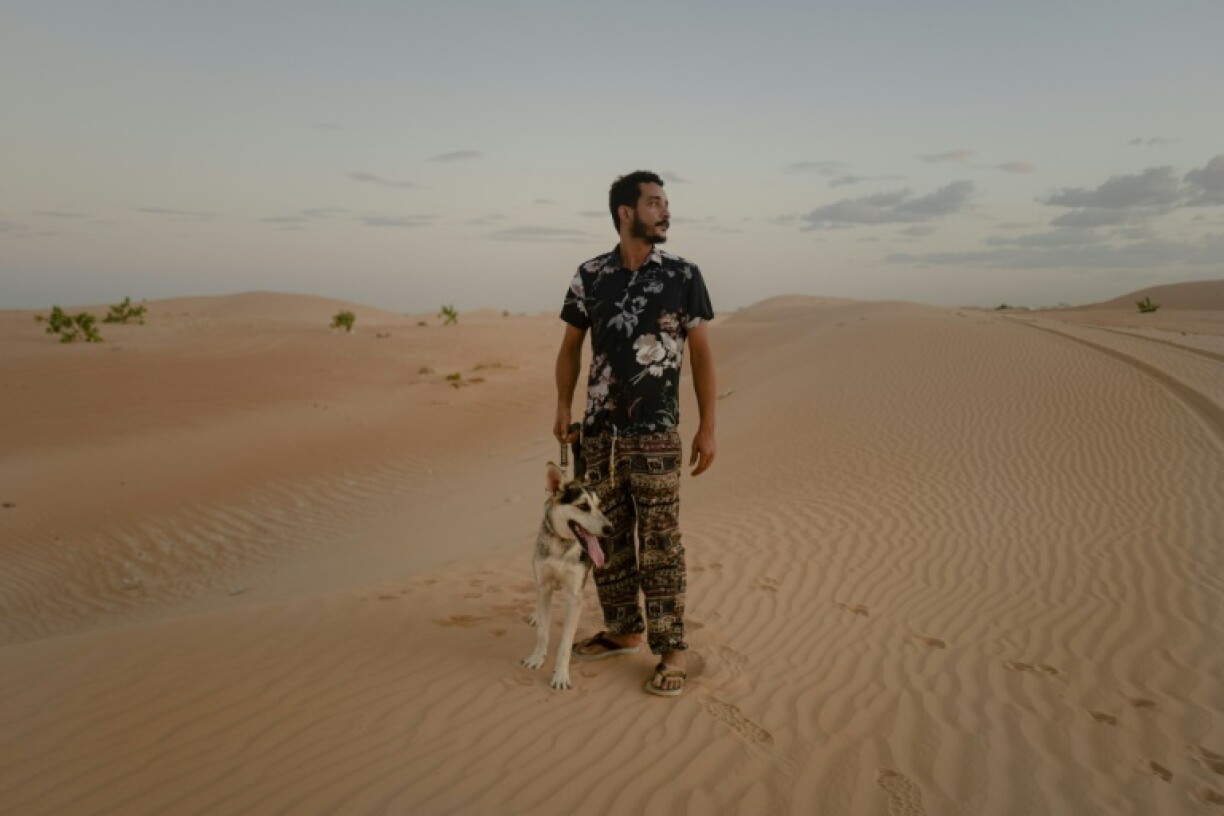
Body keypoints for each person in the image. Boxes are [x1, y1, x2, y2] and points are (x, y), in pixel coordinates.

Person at [554, 170, 717, 697]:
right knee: (609, 538)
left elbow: (702, 353)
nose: (665, 212)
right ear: (626, 212)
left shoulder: (683, 275)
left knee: (662, 542)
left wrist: (707, 426)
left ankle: (672, 650)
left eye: (666, 203)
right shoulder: (590, 275)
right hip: (600, 434)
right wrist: (562, 404)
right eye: (654, 203)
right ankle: (623, 629)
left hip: (657, 433)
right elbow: (570, 348)